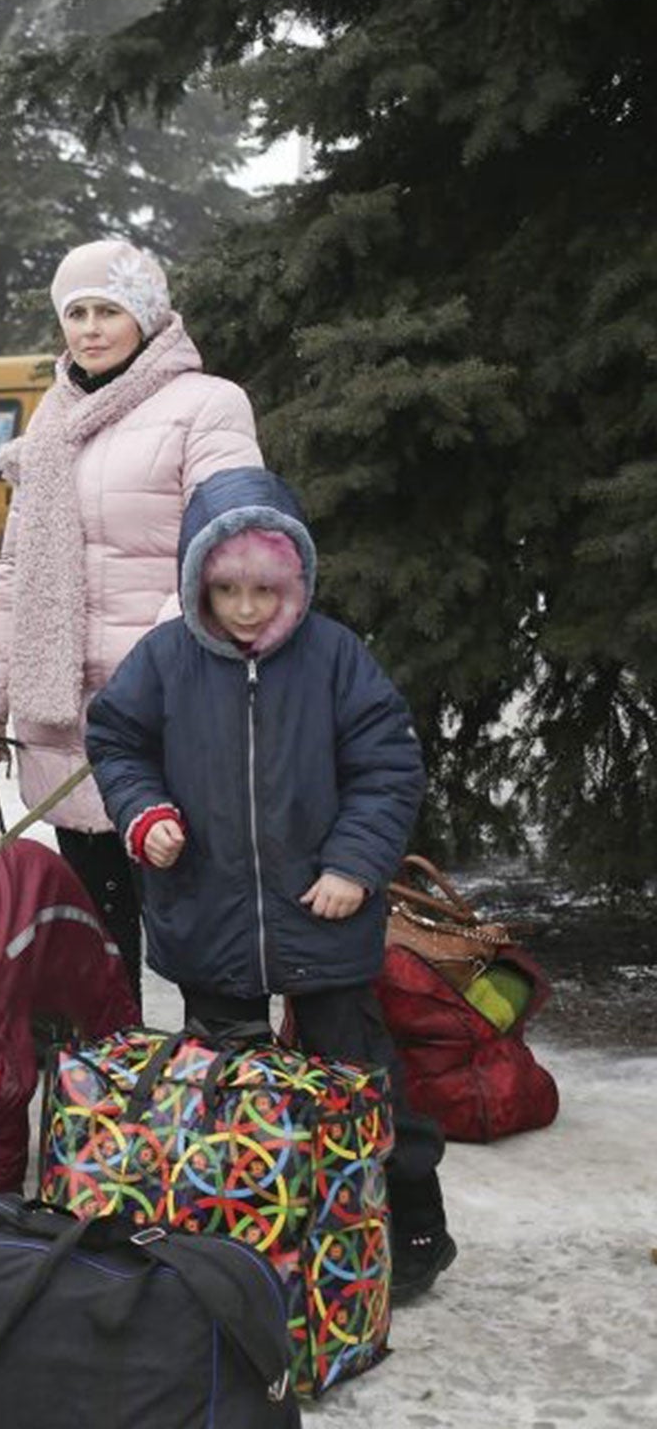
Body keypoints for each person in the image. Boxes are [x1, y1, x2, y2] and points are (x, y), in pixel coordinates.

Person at [86, 464, 455, 1302]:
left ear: (295, 580)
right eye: (226, 591)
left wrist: (355, 864)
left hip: (323, 917)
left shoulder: (334, 658)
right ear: (197, 582)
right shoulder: (165, 660)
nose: (247, 609)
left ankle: (408, 1217)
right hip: (207, 916)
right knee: (226, 1084)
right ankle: (245, 1220)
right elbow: (115, 741)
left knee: (360, 1076)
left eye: (264, 589)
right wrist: (144, 815)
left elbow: (387, 765)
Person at [0, 239, 262, 1002]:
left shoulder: (208, 404)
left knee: (192, 914)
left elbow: (225, 548)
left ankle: (214, 1077)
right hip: (63, 711)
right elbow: (15, 569)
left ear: (149, 316)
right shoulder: (53, 420)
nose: (90, 329)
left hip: (163, 707)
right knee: (94, 926)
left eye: (109, 310)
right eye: (77, 313)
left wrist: (157, 669)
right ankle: (107, 1080)